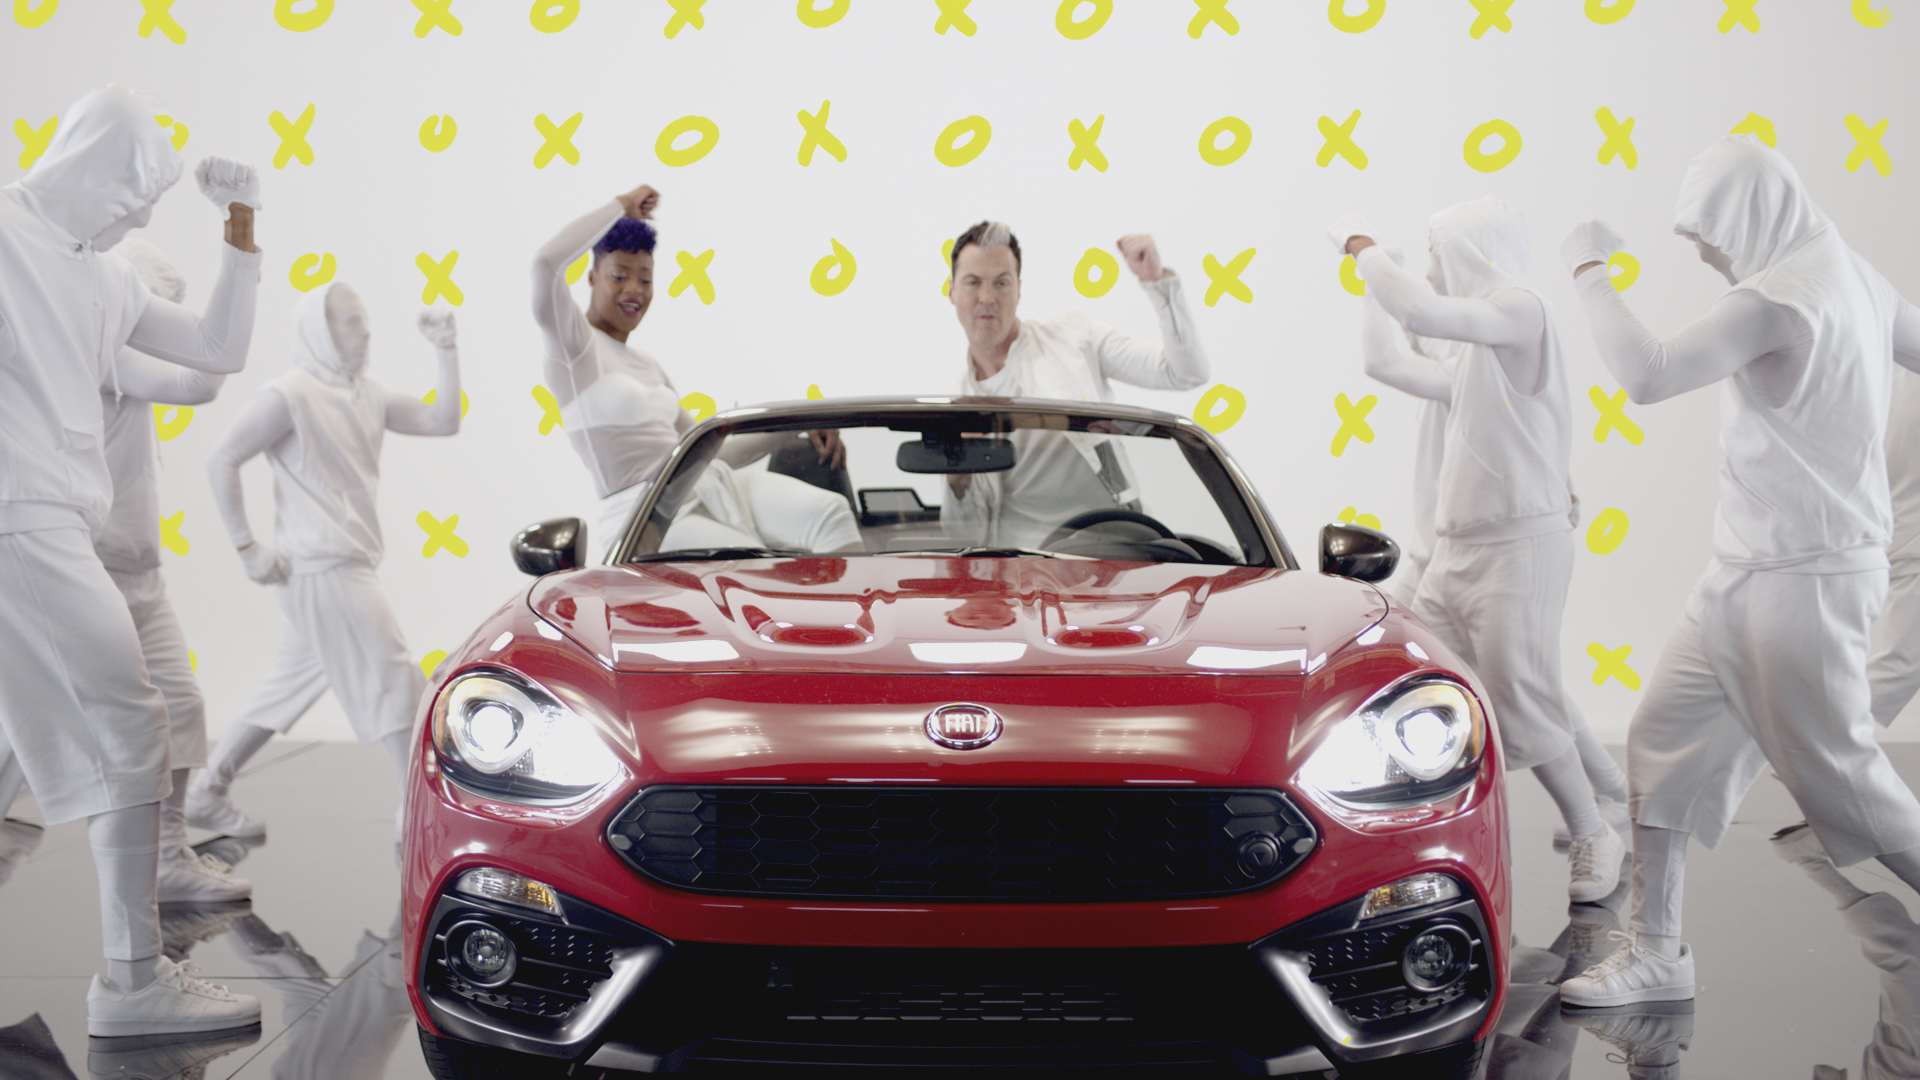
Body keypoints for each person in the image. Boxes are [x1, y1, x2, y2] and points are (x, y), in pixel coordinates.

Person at [1556, 133, 1920, 1007]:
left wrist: (1588, 270)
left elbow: (1647, 376)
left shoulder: (1777, 298)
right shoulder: (1853, 275)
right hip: (1747, 572)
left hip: (1806, 580)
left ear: (1751, 216)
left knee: (1842, 776)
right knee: (1660, 741)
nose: (1707, 256)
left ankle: (1658, 947)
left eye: (1709, 236)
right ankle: (1657, 951)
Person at [0, 84, 263, 1036]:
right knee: (129, 720)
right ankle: (130, 983)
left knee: (109, 729)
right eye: (138, 196)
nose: (145, 218)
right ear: (97, 170)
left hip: (53, 522)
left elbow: (217, 352)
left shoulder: (102, 276)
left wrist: (240, 227)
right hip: (21, 515)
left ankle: (133, 976)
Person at [1328, 198, 1625, 904]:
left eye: (1436, 255)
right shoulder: (1473, 359)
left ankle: (1594, 830)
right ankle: (1597, 793)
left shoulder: (1523, 310)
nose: (1431, 272)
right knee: (1420, 669)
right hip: (1460, 551)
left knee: (1521, 693)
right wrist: (1379, 275)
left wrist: (1362, 244)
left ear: (1469, 248)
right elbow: (1387, 357)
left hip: (1517, 545)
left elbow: (1421, 312)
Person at [187, 282, 461, 838]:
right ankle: (415, 811)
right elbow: (222, 459)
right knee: (393, 676)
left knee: (286, 686)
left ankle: (207, 789)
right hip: (322, 565)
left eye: (364, 319)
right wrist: (246, 547)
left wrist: (445, 348)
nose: (366, 330)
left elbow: (443, 420)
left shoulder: (368, 393)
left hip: (339, 564)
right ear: (320, 329)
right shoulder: (289, 393)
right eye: (351, 321)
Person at [532, 184, 856, 556]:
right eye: (619, 276)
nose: (634, 289)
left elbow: (713, 452)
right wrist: (620, 206)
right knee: (748, 562)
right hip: (644, 514)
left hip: (706, 484)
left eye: (645, 279)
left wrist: (798, 422)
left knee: (832, 513)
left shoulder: (647, 364)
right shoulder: (574, 347)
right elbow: (545, 264)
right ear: (592, 277)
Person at [940, 221, 1210, 548]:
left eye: (1001, 283)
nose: (987, 297)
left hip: (1120, 544)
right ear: (952, 291)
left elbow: (1186, 371)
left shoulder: (1074, 337)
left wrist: (1158, 283)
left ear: (1019, 290)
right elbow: (961, 539)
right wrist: (957, 478)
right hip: (1022, 563)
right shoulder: (955, 404)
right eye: (973, 283)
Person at [1869, 370, 1920, 726]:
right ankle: (1815, 742)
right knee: (1902, 662)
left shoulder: (1893, 379)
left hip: (1896, 533)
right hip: (1912, 544)